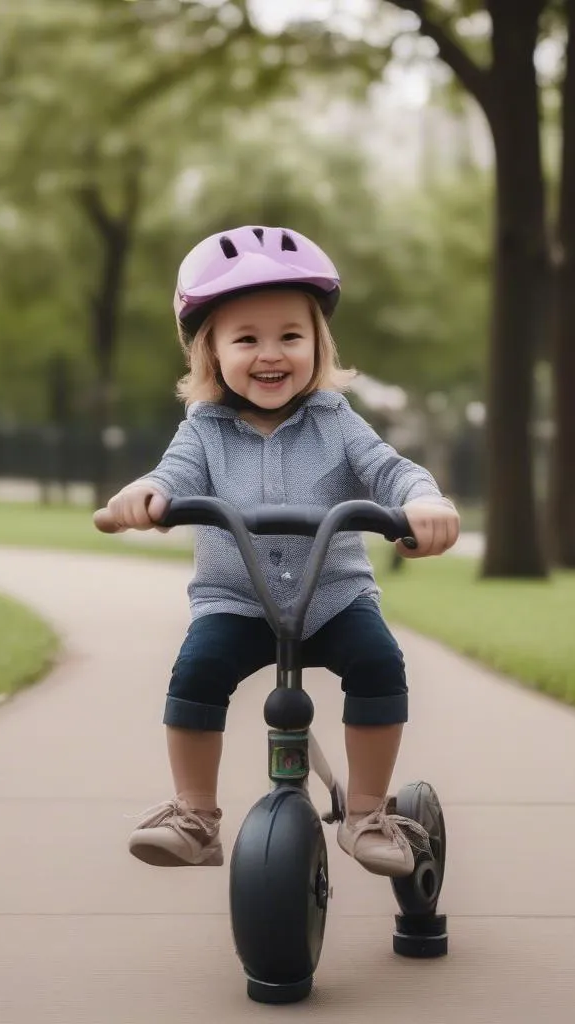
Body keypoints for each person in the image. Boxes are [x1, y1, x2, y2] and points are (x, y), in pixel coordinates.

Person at [93, 225, 460, 877]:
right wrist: (143, 495)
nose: (271, 354)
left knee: (378, 663)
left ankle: (367, 812)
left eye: (290, 336)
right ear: (211, 354)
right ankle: (195, 816)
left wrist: (424, 503)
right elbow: (170, 477)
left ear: (318, 343)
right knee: (195, 676)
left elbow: (389, 470)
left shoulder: (336, 420)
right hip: (237, 604)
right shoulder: (203, 431)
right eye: (247, 339)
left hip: (334, 600)